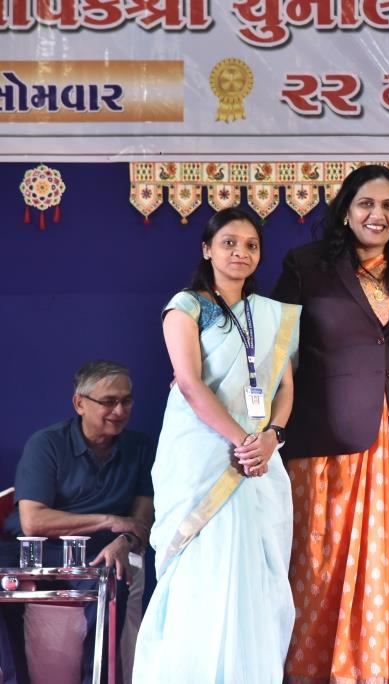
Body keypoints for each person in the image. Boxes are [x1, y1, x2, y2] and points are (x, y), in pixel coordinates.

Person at [272, 164, 389, 684]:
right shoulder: (306, 266)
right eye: (366, 203)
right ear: (346, 211)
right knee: (320, 565)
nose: (377, 214)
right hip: (326, 441)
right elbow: (276, 348)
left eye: (388, 205)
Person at [132, 207, 300, 682]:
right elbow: (189, 384)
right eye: (229, 243)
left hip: (259, 460)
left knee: (258, 575)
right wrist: (243, 440)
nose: (240, 252)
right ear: (207, 249)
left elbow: (286, 387)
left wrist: (272, 436)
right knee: (200, 571)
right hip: (204, 457)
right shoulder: (185, 306)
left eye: (251, 245)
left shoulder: (270, 315)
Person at [1, 360, 153, 684]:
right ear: (79, 403)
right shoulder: (47, 443)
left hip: (97, 553)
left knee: (113, 578)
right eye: (109, 401)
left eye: (126, 400)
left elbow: (141, 522)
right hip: (33, 550)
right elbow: (33, 521)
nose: (119, 411)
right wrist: (110, 520)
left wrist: (124, 541)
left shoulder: (140, 448)